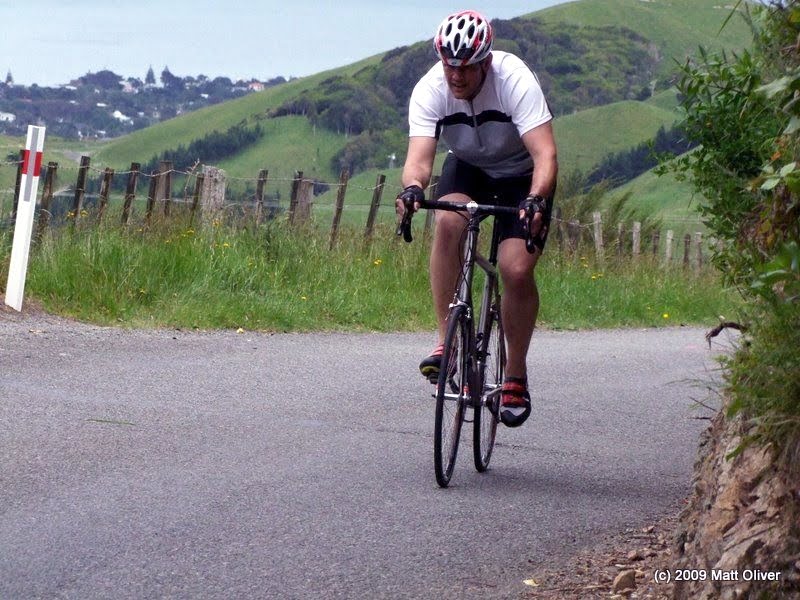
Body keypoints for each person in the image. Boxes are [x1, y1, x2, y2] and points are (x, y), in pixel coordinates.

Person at [395, 9, 558, 428]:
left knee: (515, 268)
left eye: (465, 68)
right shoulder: (431, 88)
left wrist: (537, 199)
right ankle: (445, 340)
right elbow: (418, 161)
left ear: (486, 61)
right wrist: (413, 190)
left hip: (522, 175)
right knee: (448, 222)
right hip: (468, 167)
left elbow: (545, 155)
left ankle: (515, 375)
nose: (456, 76)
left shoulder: (514, 80)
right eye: (450, 66)